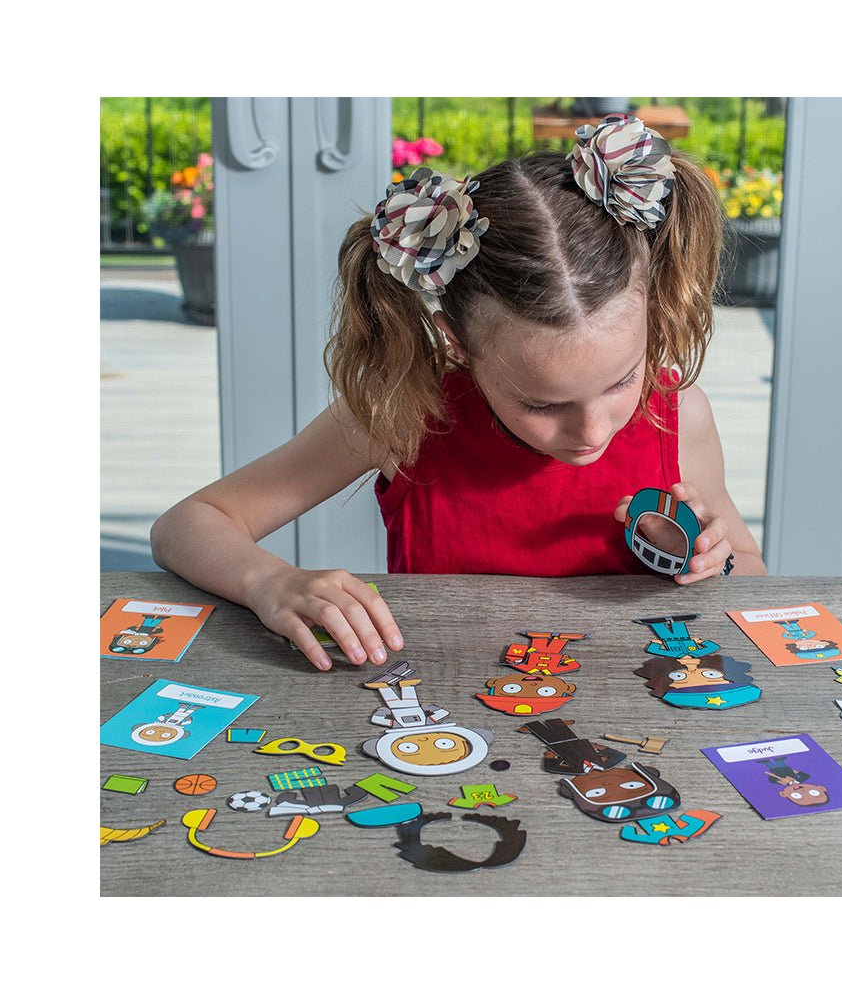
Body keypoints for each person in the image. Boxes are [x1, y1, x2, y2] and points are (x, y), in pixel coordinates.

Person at [151, 113, 765, 673]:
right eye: (542, 404)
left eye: (621, 381)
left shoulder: (678, 416)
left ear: (651, 315)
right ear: (457, 343)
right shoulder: (405, 414)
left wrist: (713, 560)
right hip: (441, 704)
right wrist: (268, 581)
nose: (594, 430)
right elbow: (187, 525)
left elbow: (753, 572)